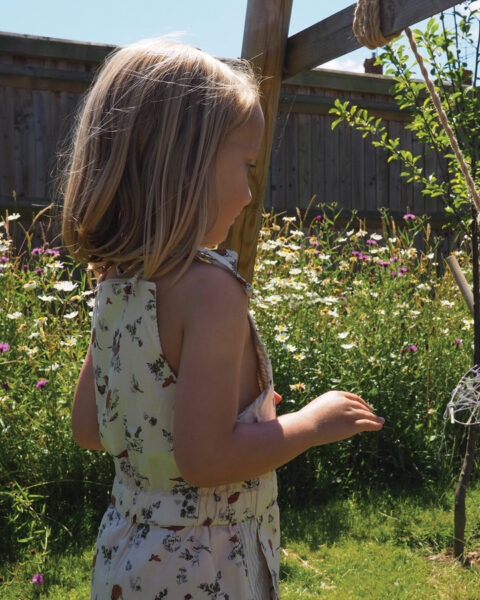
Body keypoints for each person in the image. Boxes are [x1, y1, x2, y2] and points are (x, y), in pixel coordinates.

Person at [62, 39, 384, 599]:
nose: (250, 192)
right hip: (205, 566)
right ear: (185, 168)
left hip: (128, 558)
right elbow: (207, 458)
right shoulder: (211, 290)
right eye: (246, 164)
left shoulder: (118, 286)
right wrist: (309, 424)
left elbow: (91, 428)